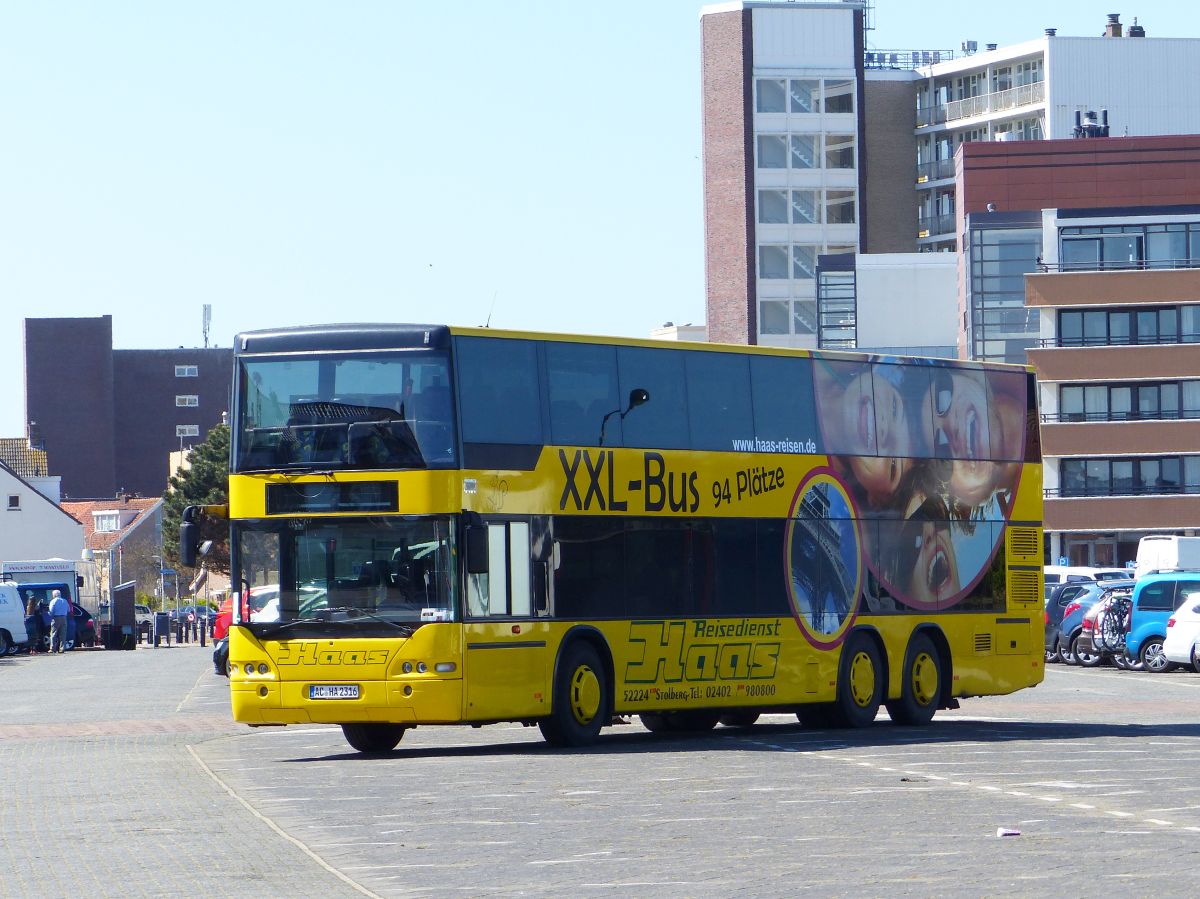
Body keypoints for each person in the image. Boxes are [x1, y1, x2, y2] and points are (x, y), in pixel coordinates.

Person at [47, 589, 70, 654]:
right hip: (64, 618)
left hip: (56, 618)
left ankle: (52, 648)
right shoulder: (65, 601)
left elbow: (51, 611)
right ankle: (62, 649)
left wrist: (48, 614)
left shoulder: (53, 601)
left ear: (54, 595)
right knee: (63, 634)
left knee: (53, 633)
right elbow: (68, 610)